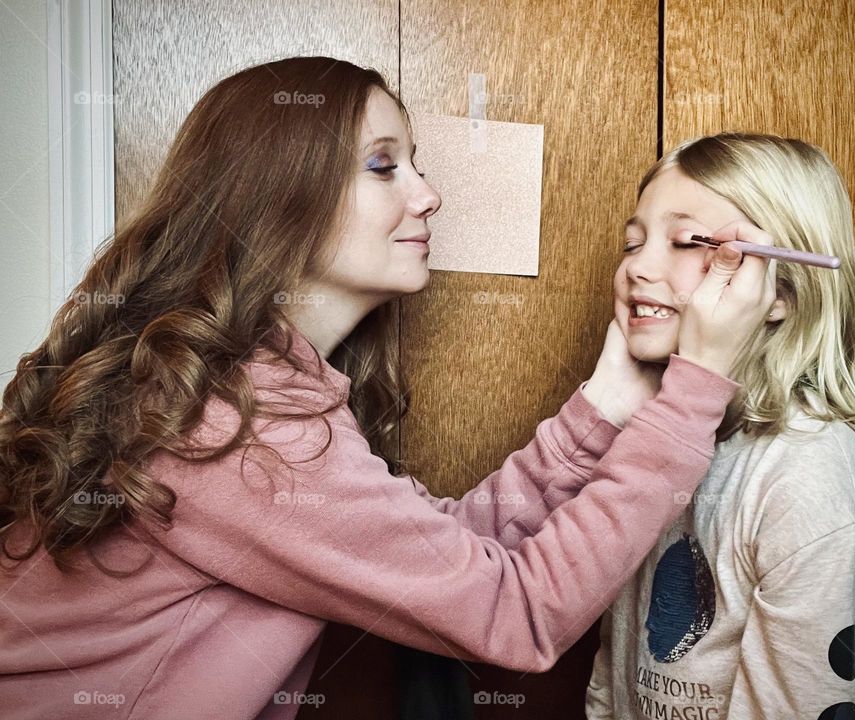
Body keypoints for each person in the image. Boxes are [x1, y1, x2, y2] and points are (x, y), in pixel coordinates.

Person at [0, 59, 774, 719]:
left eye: (418, 164)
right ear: (280, 195)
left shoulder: (246, 386)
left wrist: (607, 400)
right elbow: (519, 615)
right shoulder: (239, 419)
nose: (428, 195)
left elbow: (446, 556)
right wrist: (694, 391)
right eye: (382, 165)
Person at [584, 132, 855, 720]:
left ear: (782, 288)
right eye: (633, 242)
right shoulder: (653, 448)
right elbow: (614, 675)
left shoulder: (810, 484)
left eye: (682, 241)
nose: (636, 267)